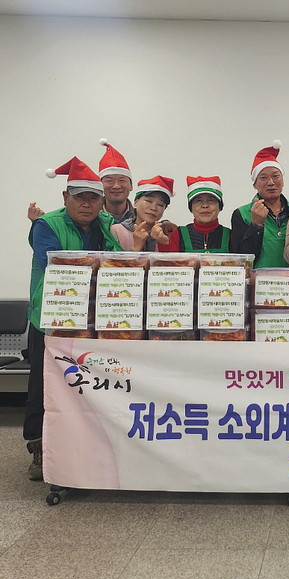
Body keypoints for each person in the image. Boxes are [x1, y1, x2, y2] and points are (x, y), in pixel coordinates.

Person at [26, 157, 122, 480]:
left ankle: (84, 447)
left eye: (93, 198)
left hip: (91, 320)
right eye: (80, 197)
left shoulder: (105, 224)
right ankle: (38, 447)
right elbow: (56, 267)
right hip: (50, 319)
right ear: (65, 197)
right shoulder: (47, 225)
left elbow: (119, 260)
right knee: (43, 385)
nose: (86, 204)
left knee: (85, 384)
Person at [230, 141, 289, 267]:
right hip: (258, 279)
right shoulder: (242, 214)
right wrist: (256, 225)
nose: (271, 182)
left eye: (276, 176)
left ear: (283, 181)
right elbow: (241, 260)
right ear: (254, 184)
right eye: (263, 177)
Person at [158, 176, 231, 253]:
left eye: (211, 200)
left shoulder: (231, 236)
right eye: (199, 201)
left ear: (220, 207)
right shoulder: (178, 234)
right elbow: (166, 259)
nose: (205, 205)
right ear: (191, 208)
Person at [110, 176, 173, 251]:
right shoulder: (117, 230)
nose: (153, 208)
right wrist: (136, 247)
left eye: (160, 205)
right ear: (136, 202)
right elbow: (111, 258)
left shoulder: (166, 234)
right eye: (149, 201)